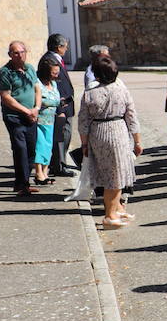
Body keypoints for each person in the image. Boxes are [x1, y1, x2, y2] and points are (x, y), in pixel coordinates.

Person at [78, 56, 141, 229]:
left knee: (109, 174)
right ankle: (109, 215)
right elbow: (132, 117)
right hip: (118, 130)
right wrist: (137, 141)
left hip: (98, 133)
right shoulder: (121, 90)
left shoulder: (89, 93)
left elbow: (83, 121)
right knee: (116, 175)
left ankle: (117, 209)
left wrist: (84, 144)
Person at [0, 41, 41, 196]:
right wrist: (26, 111)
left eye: (22, 51)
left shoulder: (30, 69)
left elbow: (37, 89)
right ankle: (22, 185)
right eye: (15, 52)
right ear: (10, 54)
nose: (20, 54)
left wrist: (36, 108)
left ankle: (23, 183)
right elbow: (6, 97)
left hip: (31, 115)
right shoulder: (5, 72)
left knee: (31, 149)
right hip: (14, 116)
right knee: (20, 148)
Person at [41, 34, 76, 177]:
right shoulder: (49, 60)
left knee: (63, 136)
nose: (66, 49)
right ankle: (59, 166)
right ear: (58, 47)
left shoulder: (56, 59)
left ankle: (58, 164)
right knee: (61, 136)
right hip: (60, 107)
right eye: (65, 46)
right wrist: (60, 108)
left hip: (65, 105)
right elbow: (52, 86)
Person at [31, 57, 62, 186]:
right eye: (54, 72)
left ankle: (45, 172)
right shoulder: (37, 83)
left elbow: (56, 99)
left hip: (51, 120)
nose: (56, 75)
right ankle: (38, 173)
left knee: (48, 147)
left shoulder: (53, 84)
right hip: (39, 121)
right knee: (40, 146)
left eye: (57, 72)